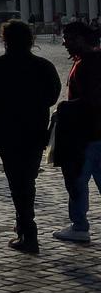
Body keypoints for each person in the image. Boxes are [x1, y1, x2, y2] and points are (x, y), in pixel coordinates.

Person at [0, 19, 61, 253]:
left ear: (5, 40)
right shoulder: (43, 66)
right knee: (27, 179)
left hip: (8, 130)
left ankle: (27, 231)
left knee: (17, 182)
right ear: (30, 40)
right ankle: (25, 227)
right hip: (35, 130)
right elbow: (53, 96)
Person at [52, 20, 101, 244]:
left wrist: (65, 108)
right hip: (95, 132)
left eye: (69, 39)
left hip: (87, 133)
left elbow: (93, 100)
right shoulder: (92, 59)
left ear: (81, 39)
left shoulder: (86, 64)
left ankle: (79, 226)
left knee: (77, 181)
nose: (65, 44)